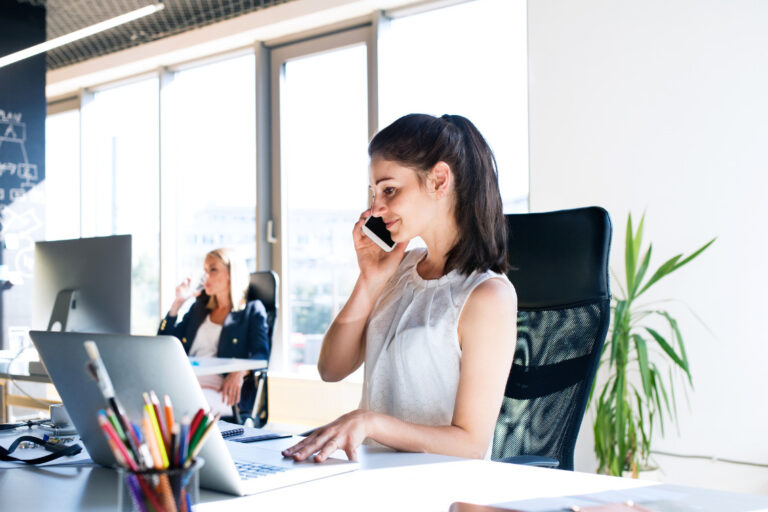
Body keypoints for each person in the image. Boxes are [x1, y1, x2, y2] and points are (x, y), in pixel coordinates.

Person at [282, 113, 517, 463]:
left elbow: (471, 444)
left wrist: (371, 423)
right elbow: (331, 368)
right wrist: (370, 280)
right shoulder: (399, 268)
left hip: (436, 489)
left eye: (389, 190)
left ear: (439, 181)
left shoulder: (487, 296)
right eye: (374, 193)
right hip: (370, 475)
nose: (376, 207)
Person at [158, 248, 269, 417]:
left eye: (213, 269)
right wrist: (177, 303)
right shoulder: (199, 308)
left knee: (179, 407)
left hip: (222, 390)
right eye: (205, 270)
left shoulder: (252, 310)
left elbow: (261, 355)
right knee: (148, 400)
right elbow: (164, 343)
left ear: (231, 274)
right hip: (185, 381)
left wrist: (240, 371)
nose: (205, 276)